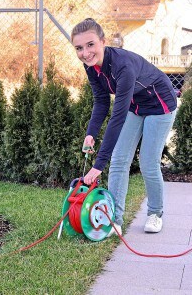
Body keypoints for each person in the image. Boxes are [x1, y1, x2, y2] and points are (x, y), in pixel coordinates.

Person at [71, 18, 177, 236]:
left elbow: (117, 117)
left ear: (103, 41)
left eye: (90, 44)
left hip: (160, 104)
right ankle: (115, 220)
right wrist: (90, 134)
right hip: (135, 105)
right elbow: (101, 101)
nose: (85, 52)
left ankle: (155, 214)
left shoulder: (123, 65)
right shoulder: (90, 66)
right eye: (79, 48)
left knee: (148, 162)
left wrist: (98, 164)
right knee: (119, 160)